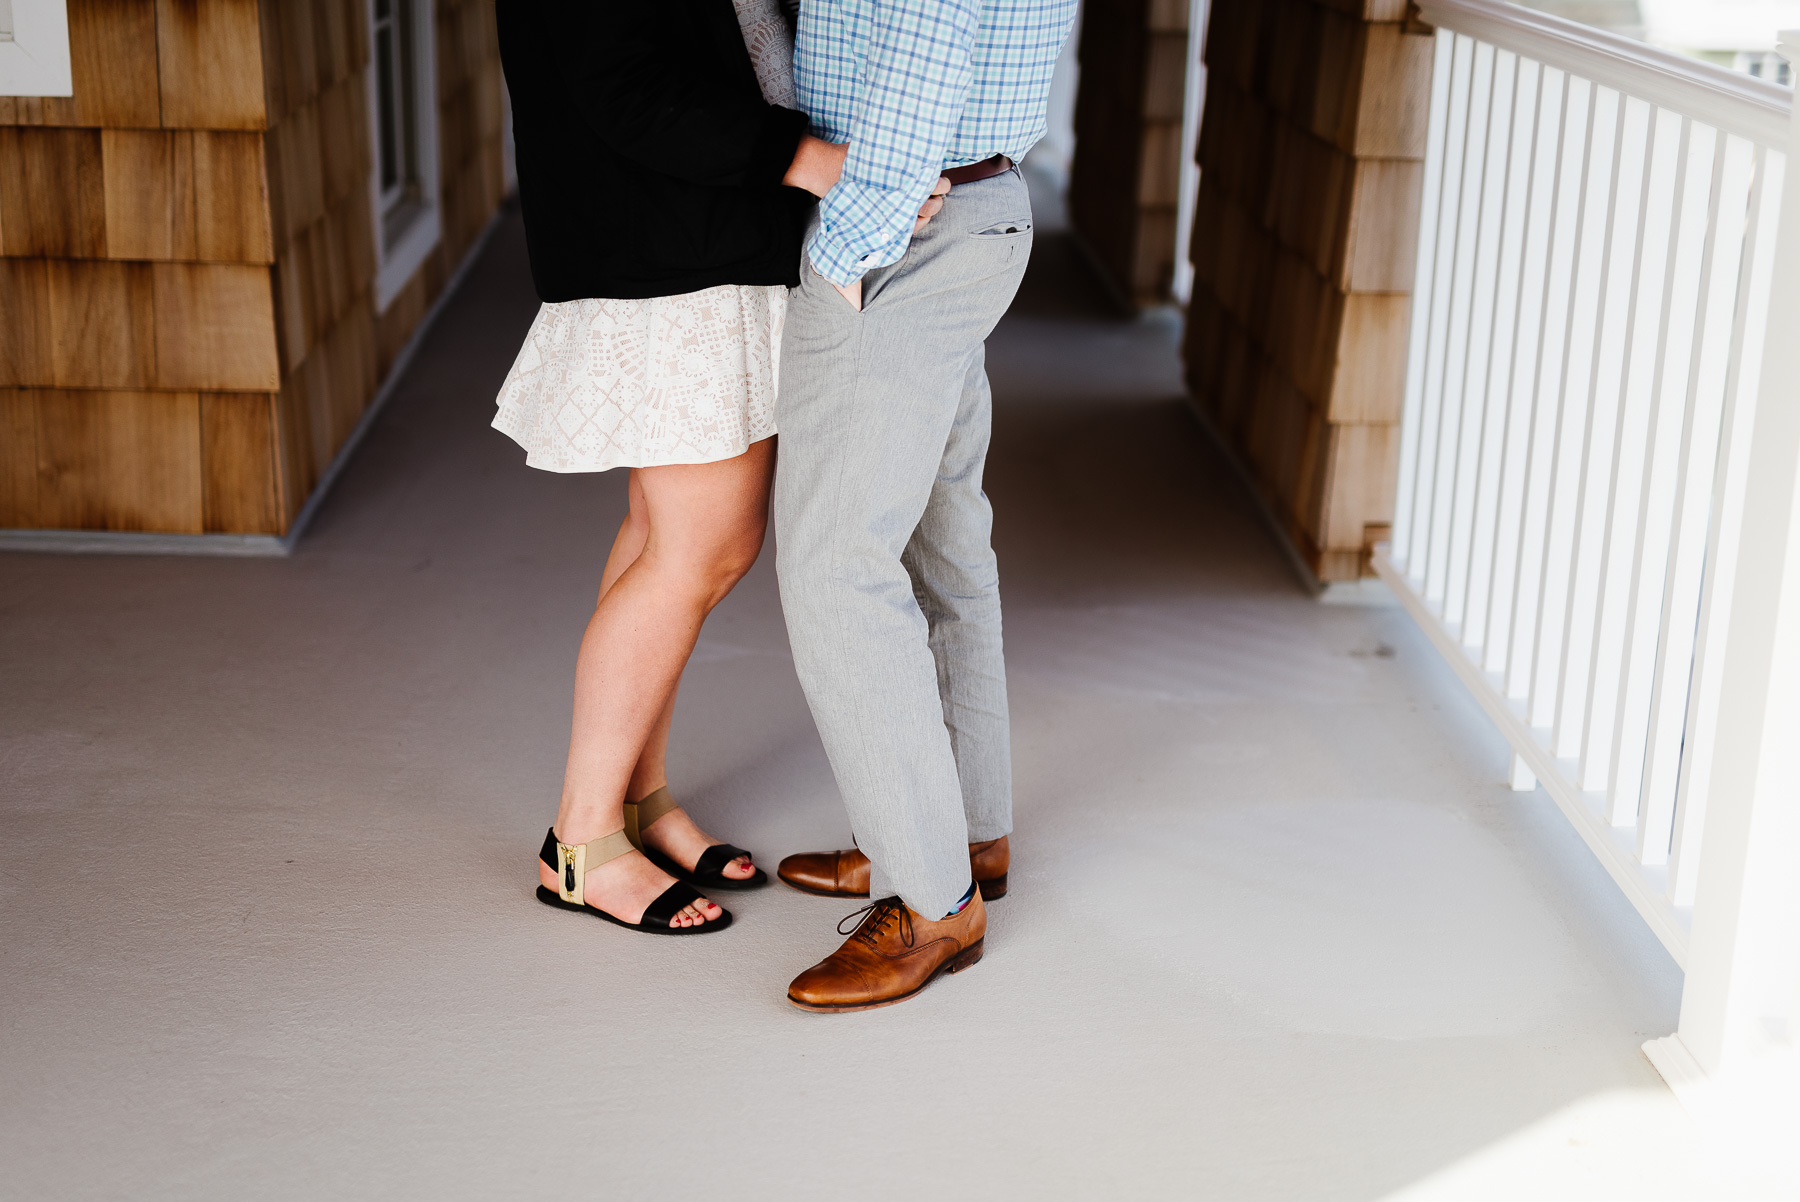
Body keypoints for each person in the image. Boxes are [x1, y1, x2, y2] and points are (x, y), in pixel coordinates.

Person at [492, 0, 852, 934]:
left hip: (696, 232)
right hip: (669, 244)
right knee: (705, 550)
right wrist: (811, 161)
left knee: (664, 537)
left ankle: (633, 803)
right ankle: (579, 845)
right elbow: (620, 82)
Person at [772, 0, 1080, 1007]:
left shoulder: (874, 228)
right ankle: (965, 835)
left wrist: (844, 244)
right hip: (975, 209)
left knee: (836, 569)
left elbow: (921, 35)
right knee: (941, 543)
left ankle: (935, 894)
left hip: (909, 231)